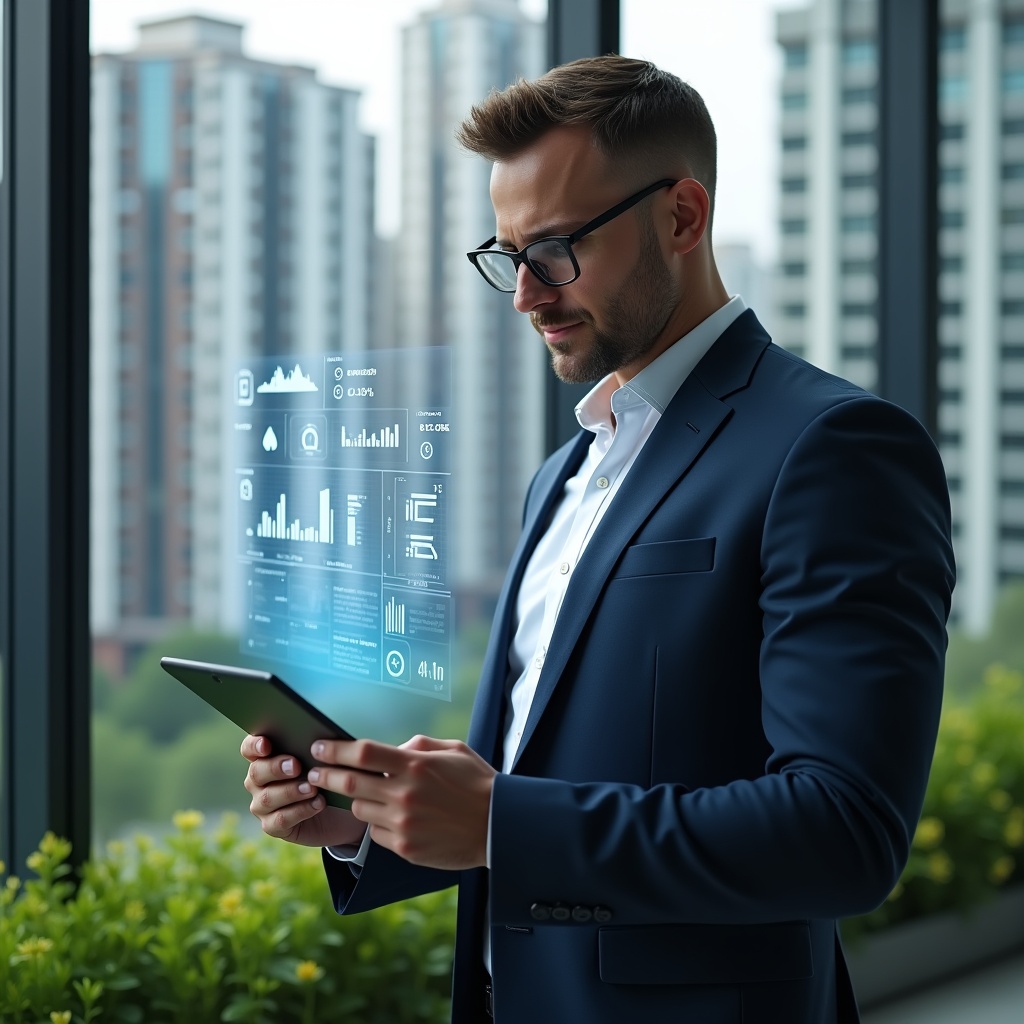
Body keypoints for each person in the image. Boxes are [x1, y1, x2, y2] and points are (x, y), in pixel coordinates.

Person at [241, 55, 955, 1024]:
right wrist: (370, 820)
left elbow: (842, 831)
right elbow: (523, 793)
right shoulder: (564, 474)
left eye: (556, 249)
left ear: (682, 215)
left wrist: (498, 819)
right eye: (506, 255)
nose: (525, 295)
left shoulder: (831, 448)